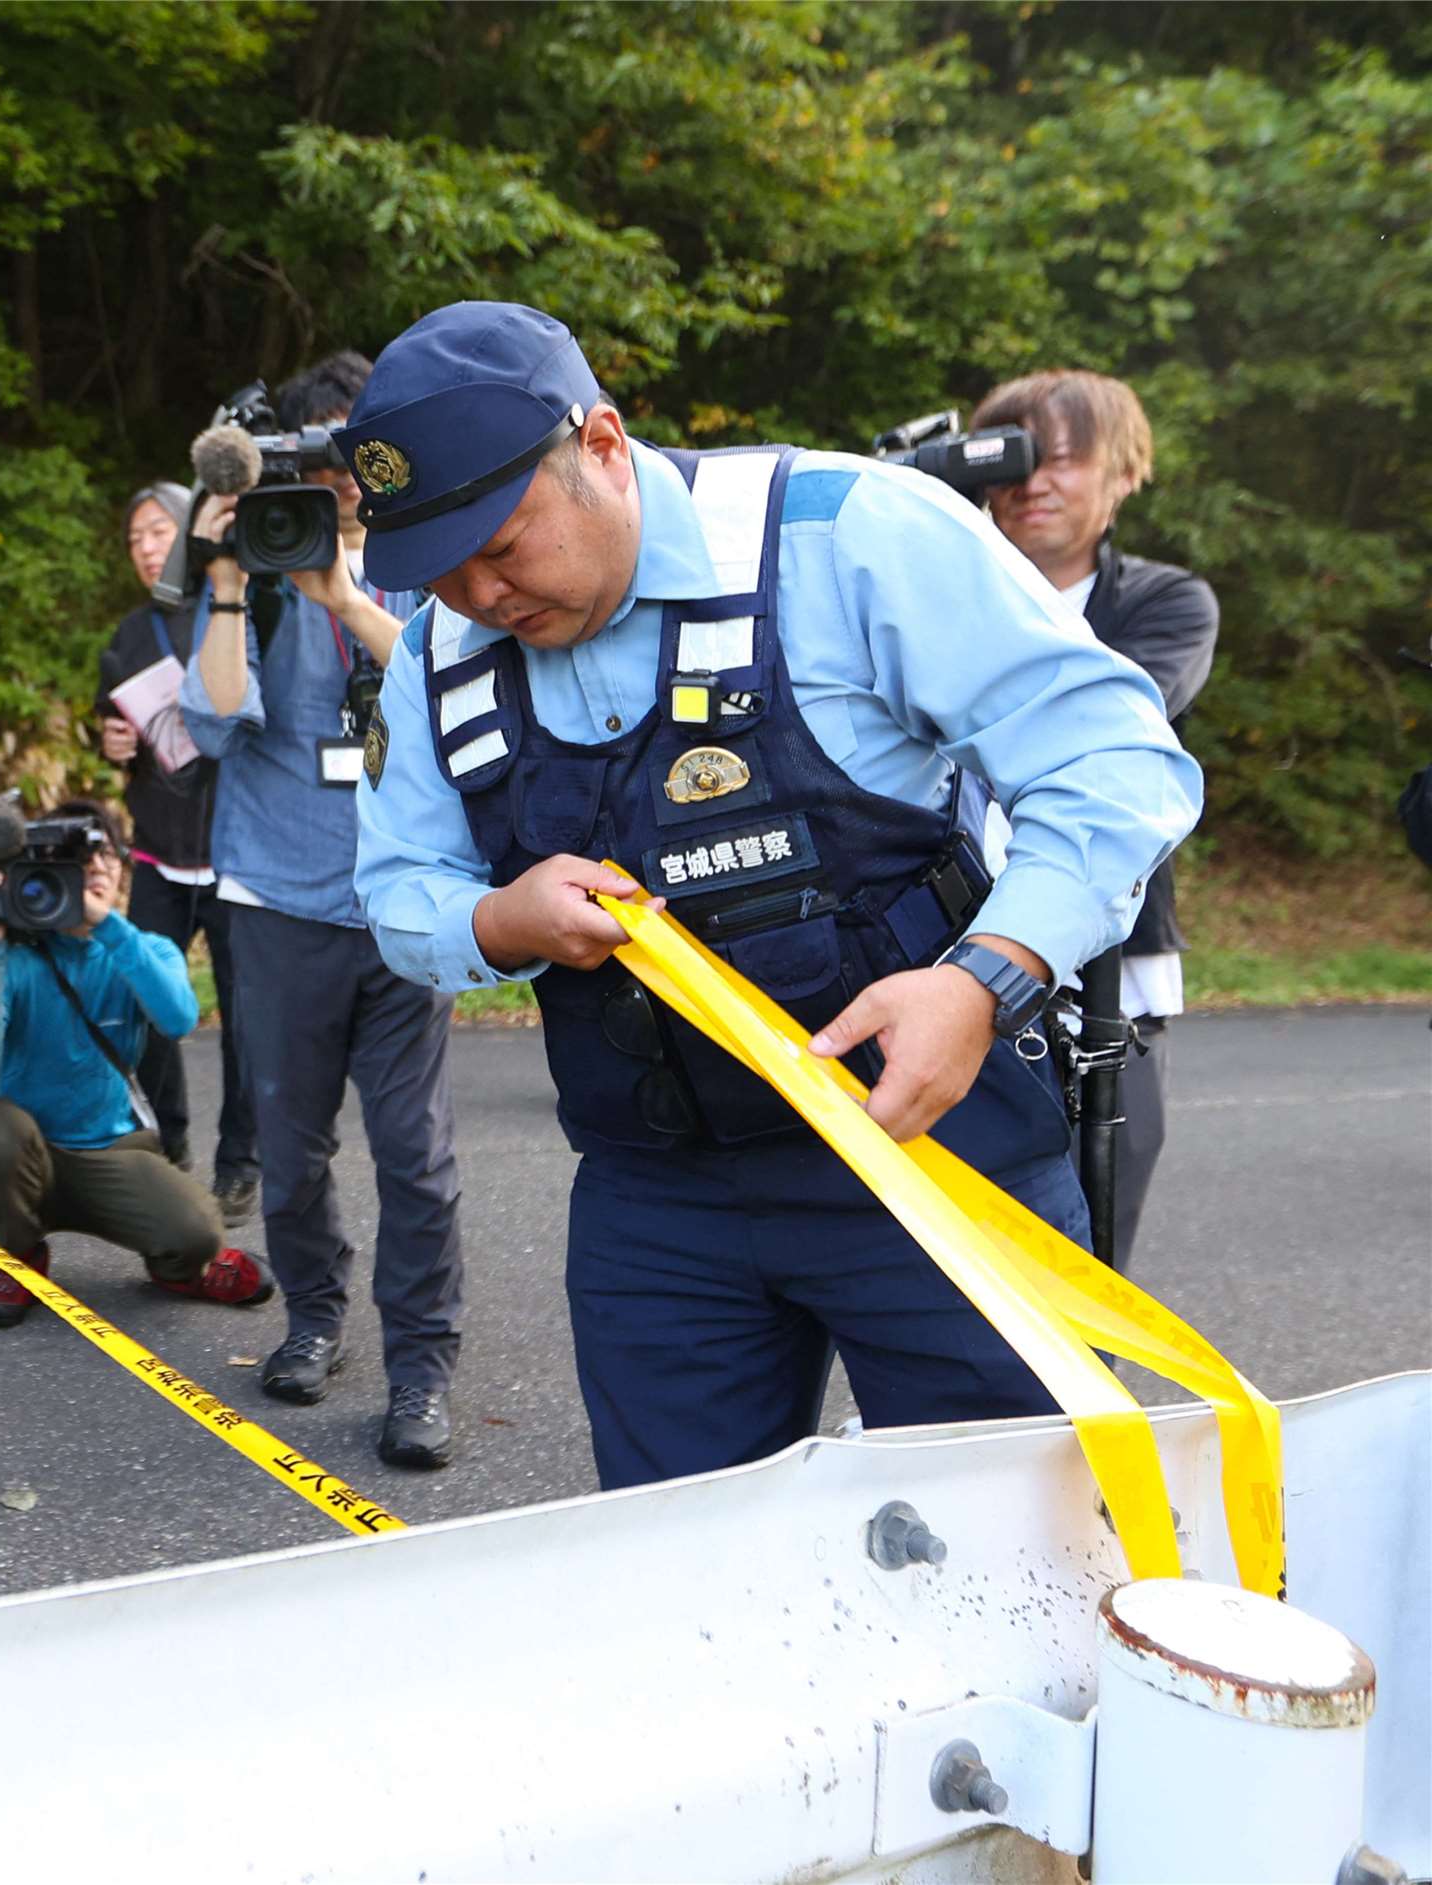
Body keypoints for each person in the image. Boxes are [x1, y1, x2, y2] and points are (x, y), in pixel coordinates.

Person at [345, 302, 1201, 1492]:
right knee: (684, 1556)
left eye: (501, 543)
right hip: (658, 1199)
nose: (479, 593)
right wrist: (495, 921)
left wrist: (985, 978)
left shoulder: (849, 536)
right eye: (437, 567)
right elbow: (396, 887)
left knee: (1014, 1539)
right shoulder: (437, 658)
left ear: (601, 445)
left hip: (934, 1152)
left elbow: (1113, 763)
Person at [179, 350, 468, 1472]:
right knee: (291, 1150)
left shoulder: (432, 560)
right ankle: (311, 1320)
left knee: (414, 1153)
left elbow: (451, 692)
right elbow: (215, 722)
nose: (341, 472)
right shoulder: (259, 564)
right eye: (321, 450)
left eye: (359, 448)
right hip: (278, 898)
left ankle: (422, 1368)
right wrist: (224, 573)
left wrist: (344, 597)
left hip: (407, 899)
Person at [972, 370, 1219, 1274]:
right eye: (1010, 457)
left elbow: (1111, 717)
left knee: (1088, 1256)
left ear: (1124, 474)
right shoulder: (922, 593)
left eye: (1064, 459)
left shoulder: (1165, 601)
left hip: (1110, 975)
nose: (1032, 481)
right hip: (936, 942)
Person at [0, 799, 276, 1328]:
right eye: (81, 860)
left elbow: (178, 1019)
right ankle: (18, 1256)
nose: (97, 869)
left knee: (198, 1232)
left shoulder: (145, 949)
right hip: (28, 1153)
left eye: (108, 858)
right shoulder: (12, 960)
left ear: (123, 871)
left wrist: (106, 926)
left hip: (111, 1150)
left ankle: (180, 1271)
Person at [94, 482, 260, 1226]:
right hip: (159, 852)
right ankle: (171, 1141)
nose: (145, 547)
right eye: (134, 538)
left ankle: (241, 1164)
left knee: (245, 1018)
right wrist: (110, 742)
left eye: (158, 530)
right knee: (148, 1003)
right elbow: (109, 724)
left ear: (191, 530)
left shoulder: (242, 611)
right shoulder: (129, 633)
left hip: (238, 855)